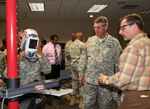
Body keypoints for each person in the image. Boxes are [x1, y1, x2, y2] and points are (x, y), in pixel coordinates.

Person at [98, 13, 150, 109]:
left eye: (123, 28)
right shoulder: (147, 43)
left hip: (135, 99)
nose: (120, 32)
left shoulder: (133, 48)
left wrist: (105, 79)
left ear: (134, 26)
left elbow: (123, 79)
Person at [78, 16, 122, 109]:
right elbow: (84, 58)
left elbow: (118, 63)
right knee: (87, 105)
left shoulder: (114, 42)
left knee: (105, 106)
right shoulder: (90, 41)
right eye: (94, 27)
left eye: (98, 27)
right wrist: (81, 74)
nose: (96, 30)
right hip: (90, 80)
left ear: (106, 27)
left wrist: (118, 80)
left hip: (106, 82)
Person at [69, 32, 84, 108]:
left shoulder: (71, 45)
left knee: (74, 82)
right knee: (81, 83)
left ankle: (73, 99)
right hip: (80, 66)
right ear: (80, 37)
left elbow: (68, 55)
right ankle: (81, 101)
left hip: (73, 66)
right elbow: (85, 56)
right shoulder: (82, 45)